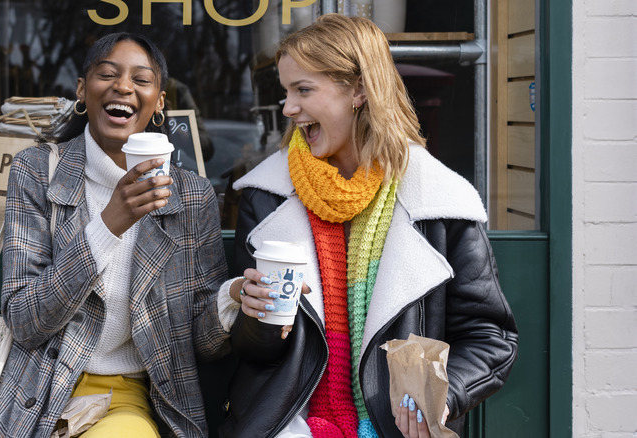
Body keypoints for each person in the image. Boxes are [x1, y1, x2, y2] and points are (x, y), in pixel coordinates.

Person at [218, 14, 518, 438]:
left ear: (359, 90)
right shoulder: (265, 194)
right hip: (288, 425)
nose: (288, 108)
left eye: (303, 90)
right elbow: (254, 351)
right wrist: (258, 320)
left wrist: (441, 397)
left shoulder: (440, 201)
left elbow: (490, 337)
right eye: (286, 92)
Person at [0, 32, 236, 438]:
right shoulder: (36, 171)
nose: (123, 87)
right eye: (107, 74)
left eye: (141, 79)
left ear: (159, 102)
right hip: (37, 391)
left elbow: (204, 342)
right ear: (82, 90)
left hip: (127, 398)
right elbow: (25, 321)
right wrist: (109, 223)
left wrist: (234, 297)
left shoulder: (191, 196)